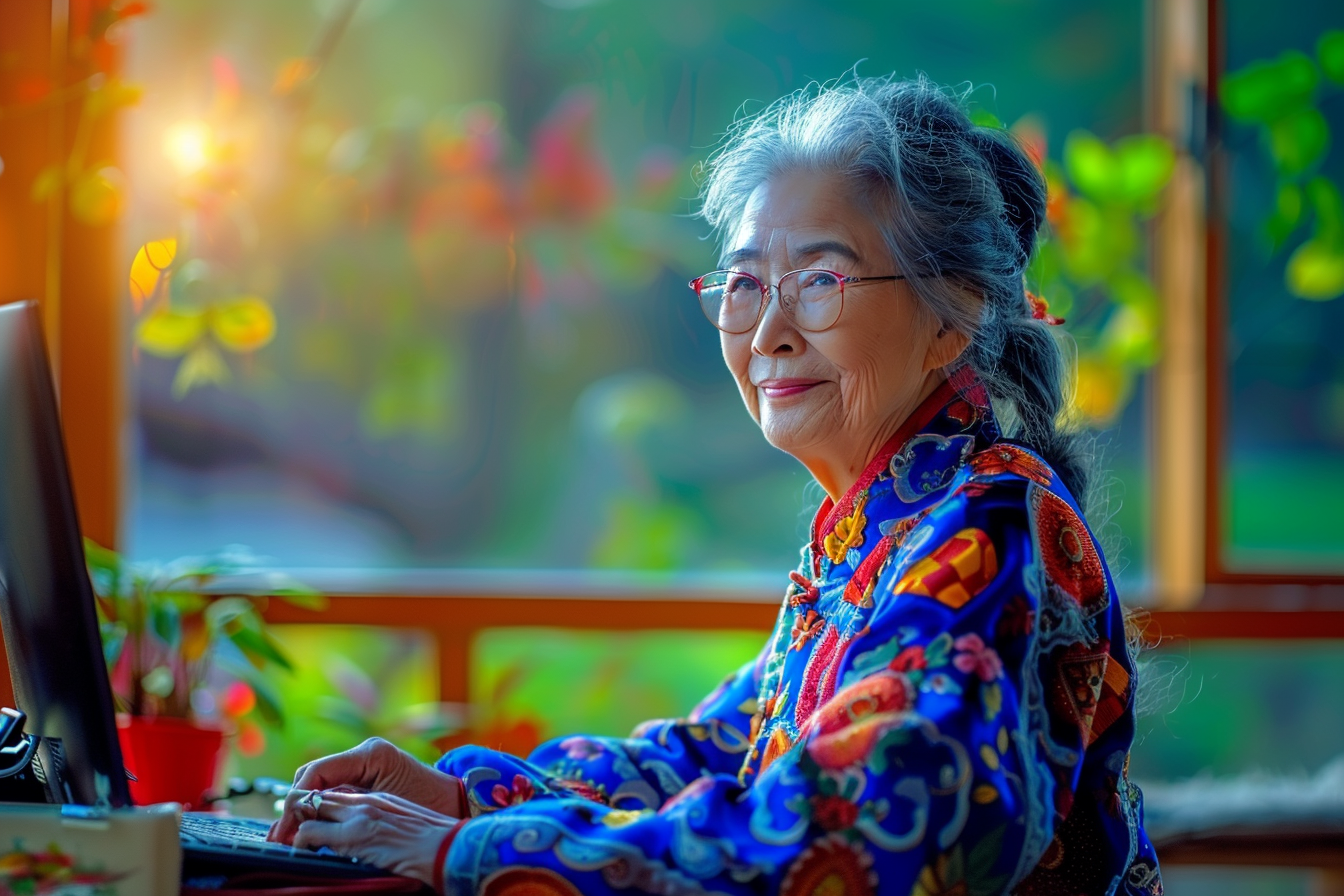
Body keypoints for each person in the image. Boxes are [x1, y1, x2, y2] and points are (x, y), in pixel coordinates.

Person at [268, 74, 1162, 895]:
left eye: (820, 280)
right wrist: (459, 795)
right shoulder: (878, 530)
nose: (768, 329)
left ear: (955, 311)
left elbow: (851, 831)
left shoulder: (990, 519)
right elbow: (713, 757)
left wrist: (464, 852)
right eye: (743, 284)